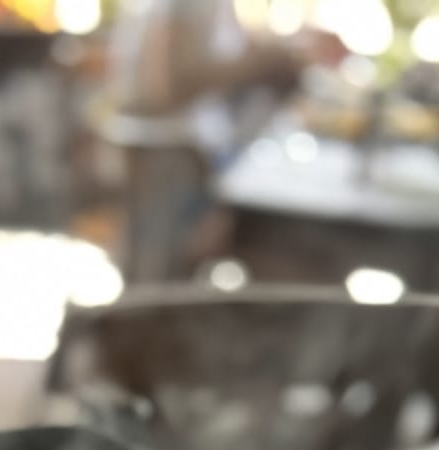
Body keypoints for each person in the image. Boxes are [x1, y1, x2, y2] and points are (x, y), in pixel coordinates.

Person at [106, 0, 330, 279]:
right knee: (156, 272)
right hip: (166, 147)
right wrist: (259, 62)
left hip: (176, 145)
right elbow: (167, 87)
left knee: (156, 265)